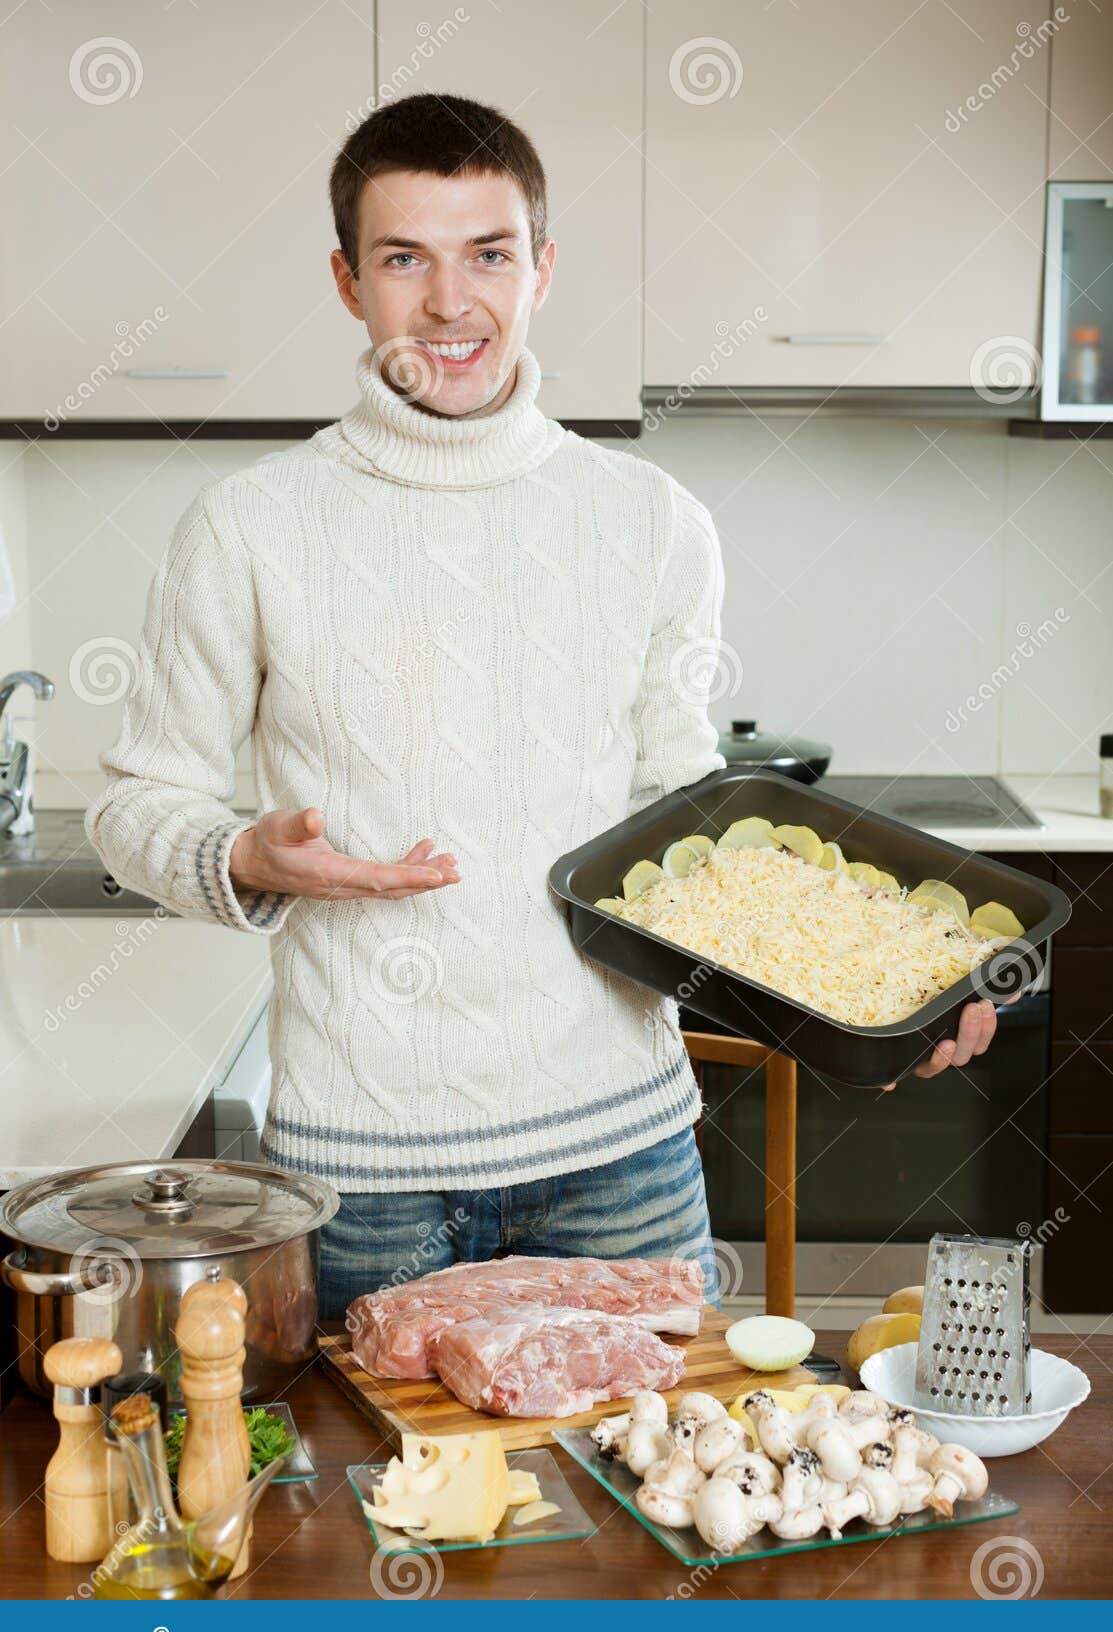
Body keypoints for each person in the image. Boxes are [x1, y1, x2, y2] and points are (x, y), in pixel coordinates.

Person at [88, 92, 1000, 1319]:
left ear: (543, 268)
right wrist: (243, 855)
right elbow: (137, 802)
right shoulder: (247, 526)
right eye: (405, 257)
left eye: (490, 254)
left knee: (655, 1495)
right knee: (390, 1506)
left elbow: (683, 828)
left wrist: (873, 1009)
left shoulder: (650, 520)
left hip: (619, 1151)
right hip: (365, 1173)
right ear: (349, 282)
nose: (450, 302)